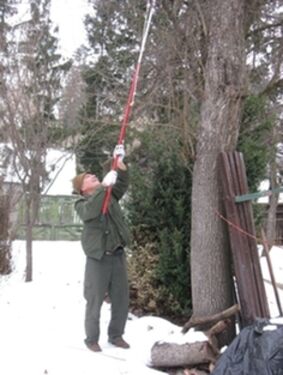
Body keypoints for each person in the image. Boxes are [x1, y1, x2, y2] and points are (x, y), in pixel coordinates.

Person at [72, 145, 130, 353]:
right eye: (88, 177)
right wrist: (104, 187)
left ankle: (116, 335)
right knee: (94, 300)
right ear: (82, 188)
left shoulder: (110, 195)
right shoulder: (81, 203)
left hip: (117, 255)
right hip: (98, 259)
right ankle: (92, 339)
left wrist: (119, 163)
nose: (93, 175)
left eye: (94, 175)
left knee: (122, 299)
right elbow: (91, 213)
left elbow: (121, 185)